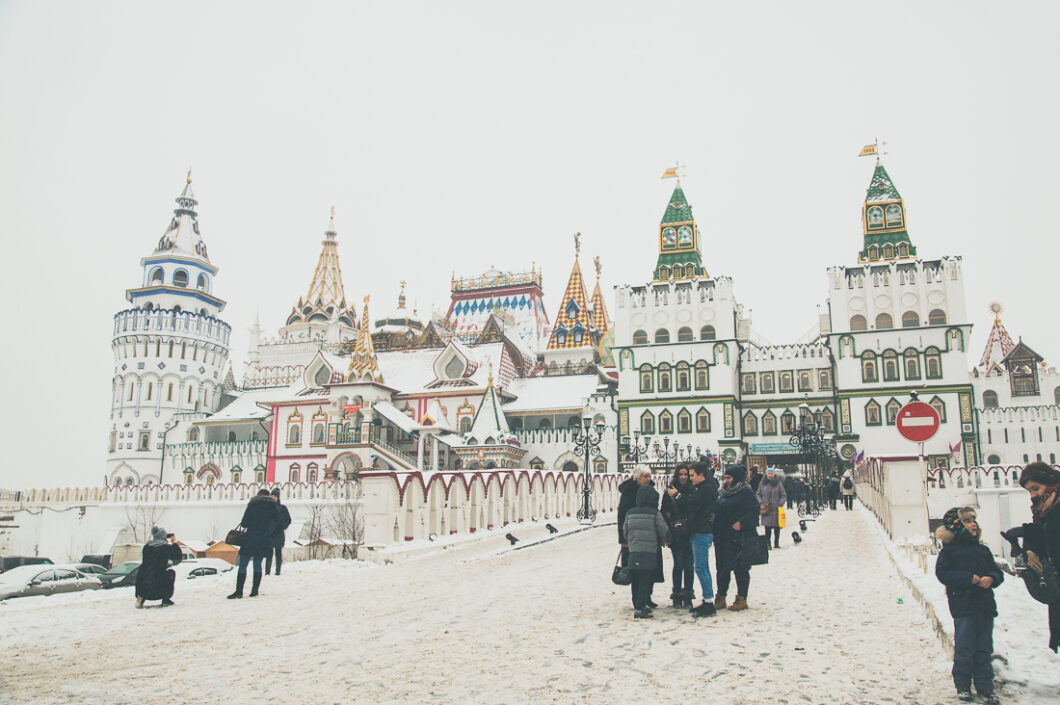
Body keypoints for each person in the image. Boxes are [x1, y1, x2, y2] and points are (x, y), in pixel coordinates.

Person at [934, 507, 1003, 704]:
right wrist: (968, 579)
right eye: (967, 521)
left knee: (984, 648)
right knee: (965, 647)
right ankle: (963, 684)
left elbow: (996, 572)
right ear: (957, 526)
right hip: (963, 606)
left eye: (974, 520)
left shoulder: (983, 550)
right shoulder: (949, 551)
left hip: (984, 606)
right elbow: (943, 573)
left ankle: (985, 686)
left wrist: (992, 578)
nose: (973, 524)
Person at [1019, 461, 1060, 653]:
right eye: (1029, 491)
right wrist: (1029, 550)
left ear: (1049, 482)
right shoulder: (1041, 509)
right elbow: (1039, 535)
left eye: (1036, 488)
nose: (1033, 495)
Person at [713, 465, 760, 611]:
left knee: (741, 569)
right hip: (723, 537)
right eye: (725, 477)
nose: (726, 480)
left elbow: (754, 511)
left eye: (729, 478)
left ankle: (742, 598)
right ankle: (721, 596)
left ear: (736, 478)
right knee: (722, 568)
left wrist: (742, 523)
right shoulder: (724, 493)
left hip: (739, 538)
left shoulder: (746, 492)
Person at [675, 461, 719, 617]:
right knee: (702, 567)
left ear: (701, 475)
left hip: (702, 532)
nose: (690, 478)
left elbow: (692, 505)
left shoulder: (705, 490)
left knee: (701, 568)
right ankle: (707, 601)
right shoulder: (704, 488)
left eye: (692, 475)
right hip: (700, 531)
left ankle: (708, 603)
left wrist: (678, 496)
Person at [622, 484, 669, 619]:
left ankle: (636, 605)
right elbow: (662, 529)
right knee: (645, 579)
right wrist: (666, 538)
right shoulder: (654, 513)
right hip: (649, 552)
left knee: (635, 579)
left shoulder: (630, 513)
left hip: (634, 551)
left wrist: (631, 541)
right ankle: (640, 607)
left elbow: (625, 531)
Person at [228, 488, 280, 599]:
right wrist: (269, 531)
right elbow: (278, 521)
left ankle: (239, 591)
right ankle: (254, 590)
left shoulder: (252, 505)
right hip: (263, 539)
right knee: (257, 564)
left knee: (243, 565)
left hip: (250, 538)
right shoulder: (272, 507)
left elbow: (244, 523)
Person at [661, 463, 694, 608]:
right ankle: (676, 594)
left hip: (690, 532)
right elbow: (664, 512)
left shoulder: (693, 490)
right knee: (678, 564)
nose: (683, 477)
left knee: (689, 566)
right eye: (680, 474)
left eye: (685, 474)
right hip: (676, 533)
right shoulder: (669, 491)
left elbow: (693, 507)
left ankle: (687, 594)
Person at [135, 526, 182, 608]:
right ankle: (166, 600)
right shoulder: (165, 547)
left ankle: (141, 598)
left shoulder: (147, 547)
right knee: (170, 573)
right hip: (158, 588)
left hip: (143, 588)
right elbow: (177, 556)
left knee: (144, 574)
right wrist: (174, 543)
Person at [617, 466, 652, 566]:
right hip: (632, 537)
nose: (648, 479)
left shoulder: (650, 491)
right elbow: (622, 517)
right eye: (645, 476)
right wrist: (623, 539)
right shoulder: (628, 493)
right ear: (637, 477)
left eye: (649, 476)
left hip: (647, 537)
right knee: (632, 567)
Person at [756, 468, 787, 549]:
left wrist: (780, 503)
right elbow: (758, 494)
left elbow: (783, 495)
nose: (770, 475)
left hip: (776, 509)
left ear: (774, 474)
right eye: (768, 473)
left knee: (777, 527)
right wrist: (761, 502)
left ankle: (776, 543)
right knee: (767, 527)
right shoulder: (762, 483)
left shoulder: (778, 483)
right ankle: (768, 544)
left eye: (771, 473)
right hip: (766, 508)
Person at [265, 487, 293, 576]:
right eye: (272, 496)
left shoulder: (282, 508)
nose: (274, 498)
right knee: (269, 554)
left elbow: (288, 520)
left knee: (278, 554)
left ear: (278, 497)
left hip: (279, 533)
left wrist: (282, 527)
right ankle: (267, 571)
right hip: (270, 533)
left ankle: (278, 571)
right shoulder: (267, 508)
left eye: (275, 496)